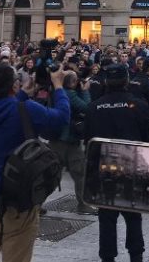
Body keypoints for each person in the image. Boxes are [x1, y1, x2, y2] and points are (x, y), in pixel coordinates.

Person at [0, 64, 69, 262]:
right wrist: (58, 86)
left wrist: (21, 94)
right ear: (13, 86)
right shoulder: (27, 109)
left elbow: (7, 110)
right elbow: (61, 118)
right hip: (17, 201)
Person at [85, 64, 149, 262]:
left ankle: (107, 257)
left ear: (106, 82)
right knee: (134, 216)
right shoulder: (139, 105)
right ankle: (136, 256)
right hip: (132, 168)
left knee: (106, 218)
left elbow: (88, 141)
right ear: (126, 81)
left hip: (104, 170)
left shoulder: (94, 107)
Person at [49, 72, 95, 214]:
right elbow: (87, 107)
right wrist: (86, 90)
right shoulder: (70, 94)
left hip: (59, 138)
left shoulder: (58, 92)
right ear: (73, 82)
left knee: (52, 174)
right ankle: (82, 204)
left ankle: (36, 203)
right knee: (78, 174)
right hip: (68, 140)